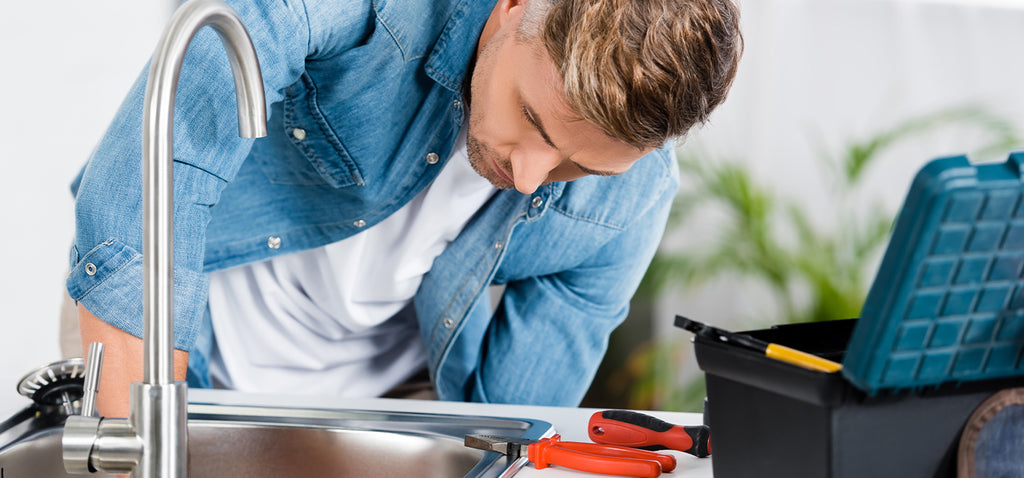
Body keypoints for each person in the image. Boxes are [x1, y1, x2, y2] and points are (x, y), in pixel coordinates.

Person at [67, 0, 743, 417]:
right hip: (180, 337)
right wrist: (154, 442)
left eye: (577, 165)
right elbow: (144, 194)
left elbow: (512, 422)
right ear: (514, 7)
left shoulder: (632, 198)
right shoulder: (382, 6)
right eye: (532, 119)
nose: (529, 177)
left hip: (394, 402)